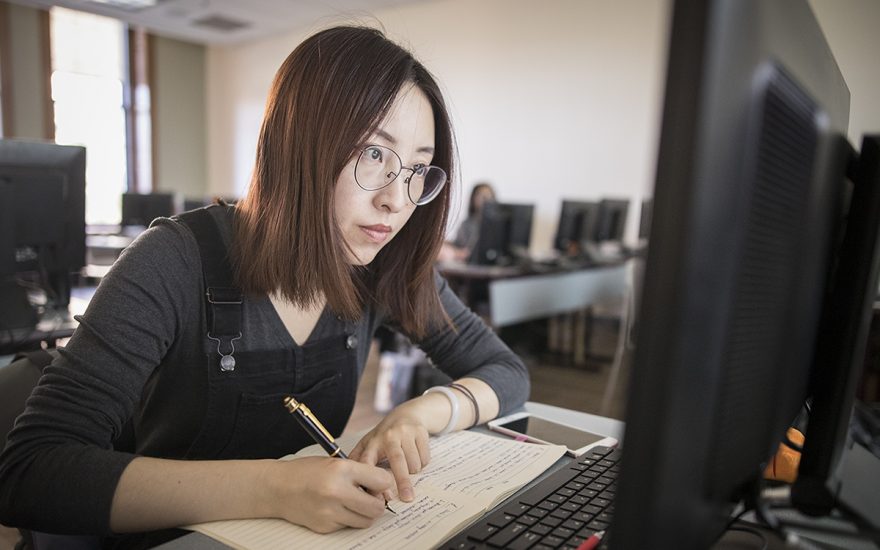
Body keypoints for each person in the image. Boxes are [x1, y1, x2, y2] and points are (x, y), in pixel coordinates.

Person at [0, 26, 528, 548]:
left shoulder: (378, 263)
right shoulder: (173, 262)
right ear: (299, 144)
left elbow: (506, 372)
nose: (396, 200)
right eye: (374, 153)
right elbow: (31, 470)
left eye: (417, 168)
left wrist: (422, 411)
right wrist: (274, 487)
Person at [438, 182, 496, 262]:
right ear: (473, 198)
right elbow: (458, 244)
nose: (485, 198)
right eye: (480, 195)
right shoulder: (466, 224)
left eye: (488, 195)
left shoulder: (496, 226)